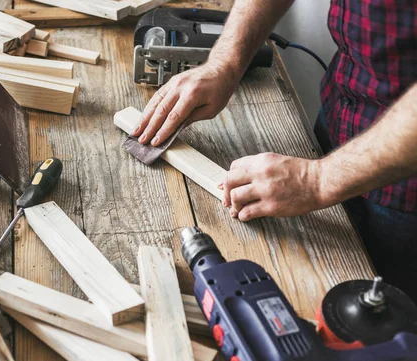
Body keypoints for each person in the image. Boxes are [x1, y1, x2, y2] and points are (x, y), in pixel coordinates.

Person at [131, 0, 417, 301]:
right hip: (340, 117)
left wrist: (316, 180)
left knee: (385, 322)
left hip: (405, 190)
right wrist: (224, 62)